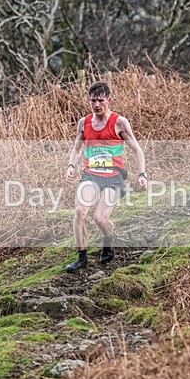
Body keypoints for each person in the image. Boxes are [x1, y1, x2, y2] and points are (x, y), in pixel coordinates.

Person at [64, 81, 148, 273]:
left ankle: (109, 239)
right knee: (80, 212)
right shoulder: (83, 123)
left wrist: (142, 174)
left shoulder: (119, 122)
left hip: (113, 177)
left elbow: (136, 150)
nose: (96, 105)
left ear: (109, 100)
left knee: (100, 219)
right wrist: (71, 165)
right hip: (90, 175)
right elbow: (77, 150)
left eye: (100, 100)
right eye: (93, 100)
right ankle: (82, 258)